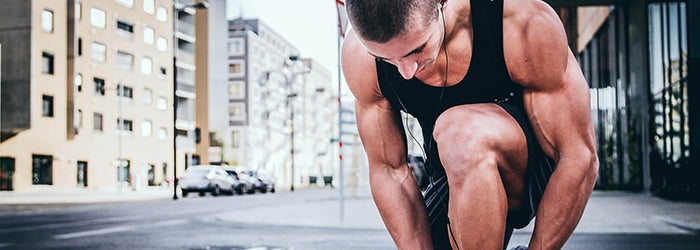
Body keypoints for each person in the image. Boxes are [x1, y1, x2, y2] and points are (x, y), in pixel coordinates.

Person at [341, 0, 599, 249]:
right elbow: (389, 170)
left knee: (460, 133)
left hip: (532, 169)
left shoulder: (522, 22)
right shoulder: (360, 57)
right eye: (386, 59)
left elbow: (578, 156)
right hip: (455, 174)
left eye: (417, 49)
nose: (406, 71)